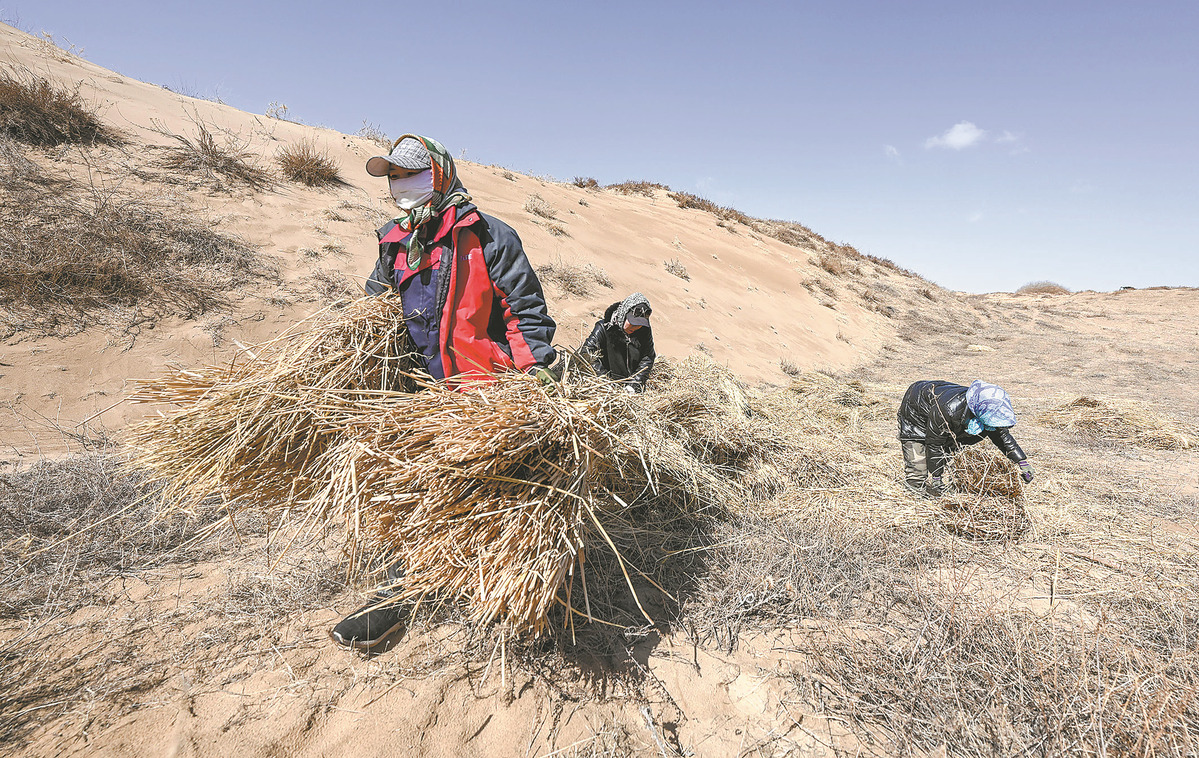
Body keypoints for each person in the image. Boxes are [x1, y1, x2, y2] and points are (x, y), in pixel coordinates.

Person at [331, 134, 558, 651]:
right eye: (393, 177)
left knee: (491, 496)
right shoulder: (393, 242)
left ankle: (497, 594)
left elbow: (524, 312)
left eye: (411, 174)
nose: (401, 186)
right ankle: (396, 597)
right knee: (410, 493)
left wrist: (536, 374)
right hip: (419, 394)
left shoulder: (490, 237)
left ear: (439, 173)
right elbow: (377, 313)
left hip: (484, 393)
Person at [897, 379, 1034, 497]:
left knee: (946, 456)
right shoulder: (948, 409)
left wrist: (1022, 462)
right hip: (916, 412)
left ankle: (938, 488)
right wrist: (937, 476)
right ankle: (915, 500)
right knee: (918, 467)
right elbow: (934, 443)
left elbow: (1002, 437)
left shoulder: (987, 409)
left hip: (942, 413)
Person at [580, 293, 656, 393]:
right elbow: (586, 353)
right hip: (604, 388)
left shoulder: (644, 332)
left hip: (631, 391)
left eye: (639, 324)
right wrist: (606, 382)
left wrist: (634, 385)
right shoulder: (604, 328)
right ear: (624, 314)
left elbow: (648, 357)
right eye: (632, 323)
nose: (635, 327)